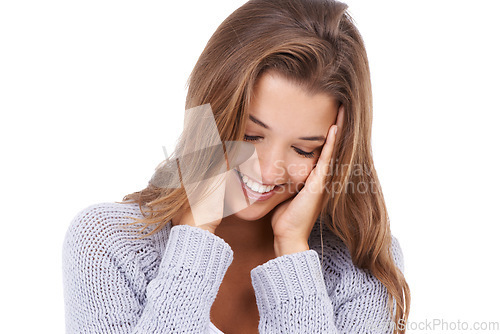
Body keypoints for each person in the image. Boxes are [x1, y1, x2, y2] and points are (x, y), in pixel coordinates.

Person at [62, 0, 411, 333]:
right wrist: (194, 237)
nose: (270, 170)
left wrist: (292, 249)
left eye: (304, 150)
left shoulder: (366, 262)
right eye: (251, 135)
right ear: (209, 112)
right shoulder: (107, 244)